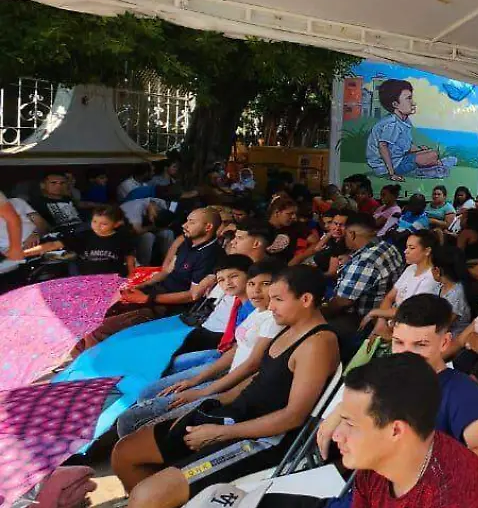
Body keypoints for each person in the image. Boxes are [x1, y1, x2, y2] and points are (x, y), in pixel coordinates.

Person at [111, 266, 340, 508]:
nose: (270, 305)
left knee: (145, 497)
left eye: (278, 299)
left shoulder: (318, 343)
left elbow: (293, 417)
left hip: (261, 439)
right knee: (126, 452)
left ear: (306, 299)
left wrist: (221, 433)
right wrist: (203, 400)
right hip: (232, 416)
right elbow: (258, 381)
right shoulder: (288, 329)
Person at [318, 294, 478, 476]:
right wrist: (343, 411)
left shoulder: (459, 391)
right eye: (399, 342)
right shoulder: (388, 375)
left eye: (420, 345)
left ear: (444, 342)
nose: (406, 354)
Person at [115, 259, 285, 437]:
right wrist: (195, 382)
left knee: (132, 419)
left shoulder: (271, 319)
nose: (256, 290)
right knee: (148, 392)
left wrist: (201, 391)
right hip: (227, 368)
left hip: (234, 383)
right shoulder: (257, 312)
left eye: (265, 284)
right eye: (252, 284)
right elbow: (236, 349)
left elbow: (251, 365)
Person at [331, 353, 478, 507]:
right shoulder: (375, 464)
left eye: (350, 424)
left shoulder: (452, 499)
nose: (336, 435)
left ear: (395, 430)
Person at [72, 208, 223, 357]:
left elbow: (192, 295)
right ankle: (76, 362)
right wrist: (140, 286)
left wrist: (147, 298)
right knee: (87, 316)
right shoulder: (187, 243)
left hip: (167, 308)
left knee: (96, 329)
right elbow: (166, 272)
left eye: (192, 222)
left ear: (208, 227)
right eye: (187, 220)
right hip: (153, 294)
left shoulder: (211, 255)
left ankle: (92, 366)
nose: (185, 225)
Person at [326, 212, 406, 334]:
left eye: (345, 234)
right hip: (385, 308)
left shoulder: (365, 262)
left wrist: (320, 313)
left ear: (352, 234)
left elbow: (343, 302)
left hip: (363, 319)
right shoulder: (388, 246)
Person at [366, 78, 458, 182]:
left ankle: (433, 167)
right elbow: (383, 146)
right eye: (408, 99)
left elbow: (405, 145)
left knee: (430, 153)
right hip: (386, 167)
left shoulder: (403, 120)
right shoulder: (392, 124)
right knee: (432, 155)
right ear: (395, 104)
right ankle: (437, 166)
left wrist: (420, 150)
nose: (413, 103)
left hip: (397, 160)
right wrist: (392, 174)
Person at [365, 230, 439, 338]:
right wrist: (381, 320)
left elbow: (410, 311)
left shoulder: (431, 278)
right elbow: (390, 297)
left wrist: (376, 312)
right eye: (406, 247)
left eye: (411, 248)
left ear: (427, 251)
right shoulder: (411, 268)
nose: (405, 251)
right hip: (391, 321)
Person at [24, 204, 135, 276]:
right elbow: (53, 245)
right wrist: (25, 253)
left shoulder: (122, 238)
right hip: (86, 279)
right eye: (94, 222)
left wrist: (131, 275)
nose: (97, 226)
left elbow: (129, 257)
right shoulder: (83, 236)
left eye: (104, 224)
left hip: (113, 279)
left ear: (116, 224)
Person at [28, 171, 85, 235]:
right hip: (58, 235)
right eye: (53, 183)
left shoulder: (68, 199)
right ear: (43, 185)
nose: (58, 186)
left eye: (62, 183)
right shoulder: (36, 203)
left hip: (81, 231)